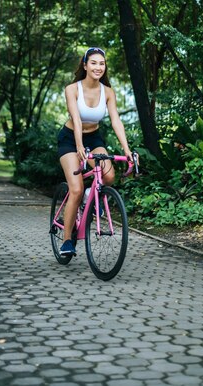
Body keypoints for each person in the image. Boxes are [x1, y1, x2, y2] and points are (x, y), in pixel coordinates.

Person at [57, 46, 133, 255]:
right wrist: (79, 146)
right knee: (76, 189)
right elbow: (77, 120)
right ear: (85, 65)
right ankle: (67, 241)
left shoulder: (108, 92)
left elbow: (116, 121)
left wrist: (127, 150)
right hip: (70, 139)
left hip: (94, 138)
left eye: (102, 63)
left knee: (108, 176)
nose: (98, 67)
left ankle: (94, 192)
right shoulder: (72, 89)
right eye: (94, 63)